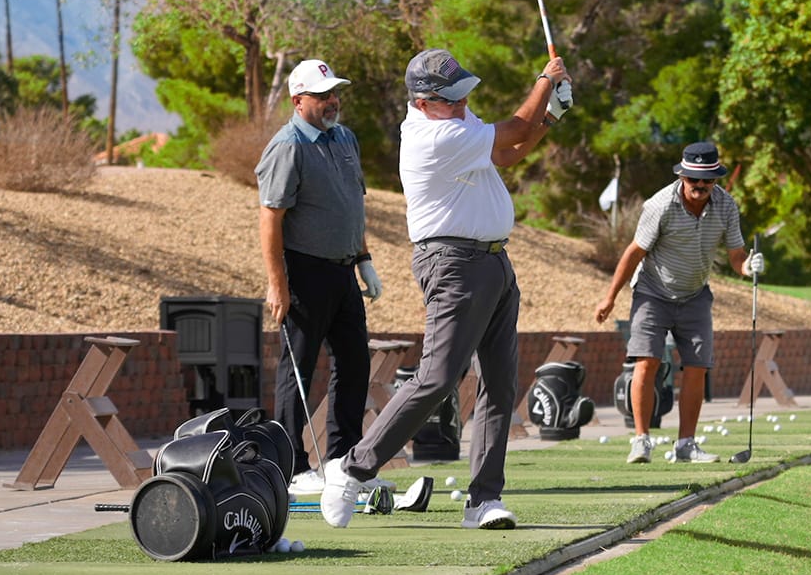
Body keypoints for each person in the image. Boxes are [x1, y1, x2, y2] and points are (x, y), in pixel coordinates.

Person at [317, 47, 570, 530]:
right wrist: (546, 81)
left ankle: (483, 500)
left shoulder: (454, 119)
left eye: (462, 96)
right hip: (453, 263)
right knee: (437, 378)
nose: (461, 105)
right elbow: (516, 128)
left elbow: (508, 153)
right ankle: (352, 469)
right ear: (422, 102)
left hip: (494, 262)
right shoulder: (432, 136)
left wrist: (552, 116)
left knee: (500, 384)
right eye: (451, 99)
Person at [257, 58, 384, 491]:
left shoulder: (345, 138)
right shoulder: (287, 146)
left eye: (334, 93)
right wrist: (278, 284)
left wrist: (364, 259)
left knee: (354, 364)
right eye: (322, 95)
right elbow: (271, 219)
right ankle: (290, 468)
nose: (332, 101)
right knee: (298, 369)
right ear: (298, 101)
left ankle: (344, 462)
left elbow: (352, 204)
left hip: (344, 270)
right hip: (304, 271)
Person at [593, 142, 762, 465]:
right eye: (693, 179)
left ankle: (686, 445)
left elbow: (736, 254)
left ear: (715, 179)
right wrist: (610, 297)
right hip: (652, 292)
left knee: (697, 367)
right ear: (682, 177)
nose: (700, 185)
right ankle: (641, 441)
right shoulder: (660, 205)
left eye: (707, 180)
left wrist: (747, 267)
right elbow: (635, 252)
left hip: (695, 294)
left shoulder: (726, 206)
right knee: (647, 362)